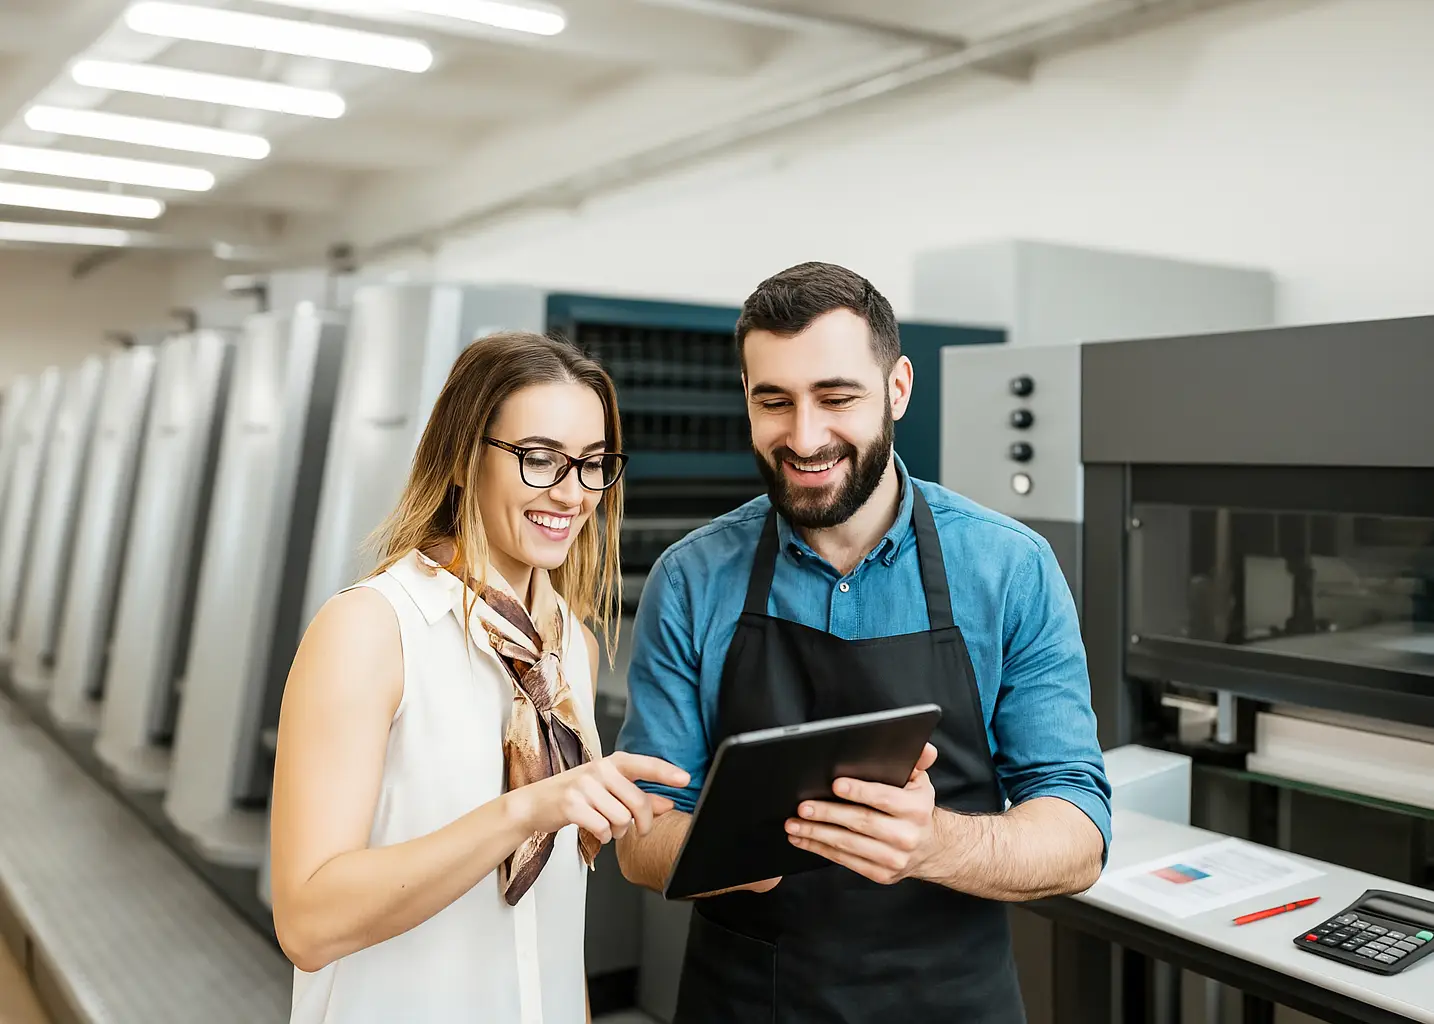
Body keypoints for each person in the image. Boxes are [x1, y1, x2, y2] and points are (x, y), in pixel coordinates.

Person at [614, 262, 1112, 1022]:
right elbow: (638, 839)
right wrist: (736, 847)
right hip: (750, 1003)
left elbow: (1078, 831)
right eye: (773, 401)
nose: (805, 437)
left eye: (836, 397)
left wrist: (932, 844)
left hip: (952, 1002)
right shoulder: (691, 579)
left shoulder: (1009, 568)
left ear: (898, 389)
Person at [269, 330, 689, 1024]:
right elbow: (308, 923)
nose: (571, 494)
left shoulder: (568, 651)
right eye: (539, 460)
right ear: (465, 459)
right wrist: (525, 810)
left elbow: (549, 929)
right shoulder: (372, 630)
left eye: (591, 464)